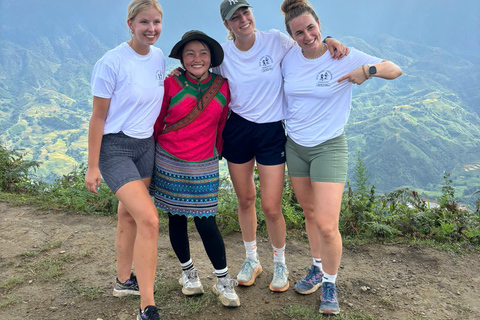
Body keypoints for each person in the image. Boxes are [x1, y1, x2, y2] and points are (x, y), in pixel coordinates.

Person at [214, 0, 349, 293]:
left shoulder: (275, 41)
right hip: (237, 128)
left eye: (245, 12)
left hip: (272, 131)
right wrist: (177, 74)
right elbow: (197, 68)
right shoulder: (222, 54)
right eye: (234, 17)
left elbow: (309, 45)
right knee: (245, 199)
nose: (242, 19)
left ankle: (280, 263)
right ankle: (251, 259)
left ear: (252, 13)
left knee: (272, 206)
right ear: (227, 25)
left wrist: (329, 40)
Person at [280, 0, 402, 314]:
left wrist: (367, 70)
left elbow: (395, 69)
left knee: (327, 223)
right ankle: (317, 267)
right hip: (295, 146)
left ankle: (330, 284)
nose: (307, 36)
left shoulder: (343, 56)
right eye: (299, 32)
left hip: (329, 147)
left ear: (319, 24)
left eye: (311, 28)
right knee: (309, 212)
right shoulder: (289, 56)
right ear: (291, 36)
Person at [84, 0, 165, 319]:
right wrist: (93, 166)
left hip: (146, 145)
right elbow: (97, 117)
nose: (151, 29)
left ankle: (122, 281)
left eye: (156, 22)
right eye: (144, 22)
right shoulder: (111, 62)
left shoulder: (158, 56)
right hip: (115, 149)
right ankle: (147, 305)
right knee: (149, 219)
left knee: (129, 216)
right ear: (130, 24)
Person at [151, 30, 240, 307]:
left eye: (203, 53)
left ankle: (223, 281)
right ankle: (189, 274)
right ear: (181, 58)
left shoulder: (222, 85)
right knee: (175, 219)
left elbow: (222, 123)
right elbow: (157, 121)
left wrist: (219, 153)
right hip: (169, 159)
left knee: (206, 222)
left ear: (211, 58)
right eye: (190, 53)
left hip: (204, 163)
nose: (197, 58)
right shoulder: (170, 84)